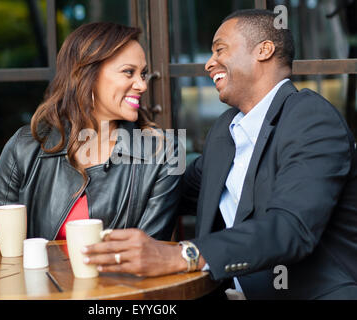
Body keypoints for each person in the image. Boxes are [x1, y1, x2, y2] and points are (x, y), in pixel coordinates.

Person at [84, 10, 357, 300]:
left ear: (264, 50)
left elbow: (291, 228)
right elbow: (171, 188)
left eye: (220, 49)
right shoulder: (226, 129)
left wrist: (183, 255)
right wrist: (101, 136)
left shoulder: (311, 118)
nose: (209, 62)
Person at [0, 22, 182, 247]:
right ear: (87, 75)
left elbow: (147, 254)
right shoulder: (24, 146)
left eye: (143, 74)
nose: (142, 85)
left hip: (119, 282)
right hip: (33, 281)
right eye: (128, 72)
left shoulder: (163, 152)